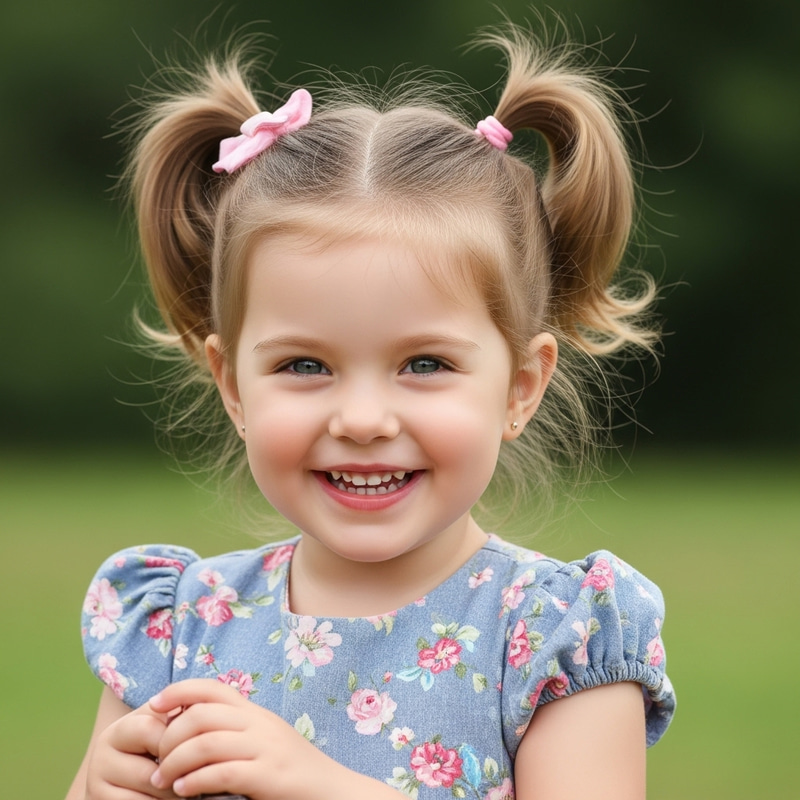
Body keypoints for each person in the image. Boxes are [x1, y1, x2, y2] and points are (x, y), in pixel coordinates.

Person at [68, 20, 675, 800]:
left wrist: (314, 783)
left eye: (425, 364)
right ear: (233, 386)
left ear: (520, 387)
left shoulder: (558, 636)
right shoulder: (176, 627)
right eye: (304, 366)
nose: (361, 419)